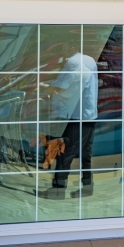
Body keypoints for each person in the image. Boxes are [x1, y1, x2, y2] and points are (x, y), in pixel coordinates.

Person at [43, 37, 101, 199]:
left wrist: (47, 89)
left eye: (65, 46)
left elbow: (63, 86)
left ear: (73, 46)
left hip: (76, 115)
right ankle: (87, 187)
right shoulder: (89, 60)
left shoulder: (73, 63)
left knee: (65, 152)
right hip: (90, 114)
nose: (62, 50)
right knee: (85, 153)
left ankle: (58, 190)